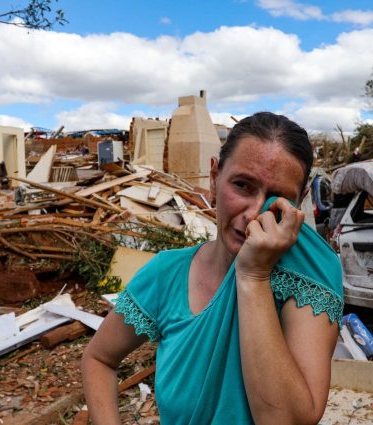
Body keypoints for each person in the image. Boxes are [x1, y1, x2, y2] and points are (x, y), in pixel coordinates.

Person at [81, 112, 343, 424]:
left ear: (298, 203)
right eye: (243, 185)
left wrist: (253, 275)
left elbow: (286, 419)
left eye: (276, 199)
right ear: (213, 178)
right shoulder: (167, 274)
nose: (252, 215)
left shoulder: (308, 277)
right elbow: (98, 358)